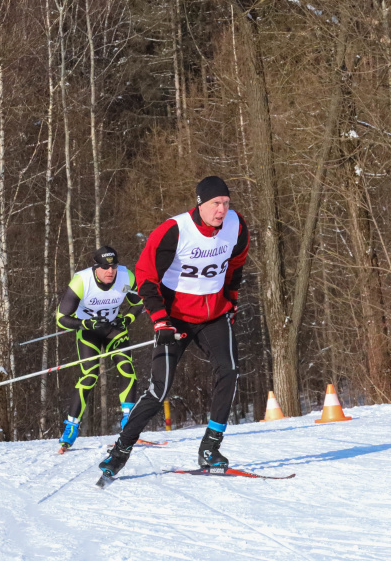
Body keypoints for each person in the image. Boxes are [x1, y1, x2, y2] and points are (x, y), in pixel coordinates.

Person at [98, 176, 249, 478]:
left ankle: (210, 447)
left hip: (214, 314)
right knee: (159, 389)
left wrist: (231, 300)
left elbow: (235, 264)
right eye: (215, 204)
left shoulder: (236, 225)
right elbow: (145, 277)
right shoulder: (175, 230)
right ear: (200, 203)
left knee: (228, 371)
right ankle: (121, 449)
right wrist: (160, 320)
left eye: (225, 203)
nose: (221, 210)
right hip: (175, 316)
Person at [55, 246, 143, 451]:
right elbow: (61, 318)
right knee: (90, 375)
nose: (110, 271)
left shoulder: (126, 276)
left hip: (114, 328)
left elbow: (139, 302)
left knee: (126, 368)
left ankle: (128, 421)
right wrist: (85, 324)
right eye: (105, 267)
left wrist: (128, 318)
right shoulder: (81, 281)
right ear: (95, 268)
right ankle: (71, 427)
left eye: (113, 266)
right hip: (89, 332)